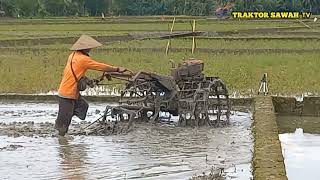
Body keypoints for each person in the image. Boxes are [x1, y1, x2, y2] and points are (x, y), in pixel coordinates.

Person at [55, 35, 128, 136]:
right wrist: (117, 69)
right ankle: (61, 139)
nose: (90, 49)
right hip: (67, 93)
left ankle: (65, 118)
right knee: (64, 122)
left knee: (83, 106)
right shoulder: (84, 59)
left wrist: (88, 80)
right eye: (89, 47)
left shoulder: (73, 55)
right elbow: (100, 66)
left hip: (70, 91)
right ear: (84, 48)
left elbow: (76, 73)